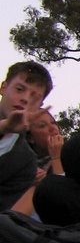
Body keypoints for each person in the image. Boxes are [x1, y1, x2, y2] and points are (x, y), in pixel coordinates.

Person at [0, 61, 53, 211]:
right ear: (3, 87)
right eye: (19, 89)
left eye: (33, 97)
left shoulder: (25, 163)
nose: (24, 99)